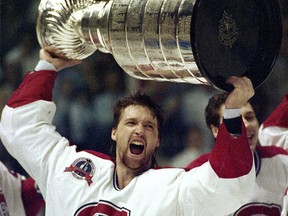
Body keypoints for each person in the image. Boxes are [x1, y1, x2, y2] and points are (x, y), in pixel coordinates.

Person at [0, 48, 256, 215]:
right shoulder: (72, 168)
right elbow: (18, 128)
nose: (140, 131)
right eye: (131, 123)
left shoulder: (173, 187)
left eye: (149, 126)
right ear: (114, 132)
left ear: (157, 141)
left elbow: (230, 186)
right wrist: (47, 67)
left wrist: (232, 112)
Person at [186, 92, 288, 215]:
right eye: (235, 121)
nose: (245, 125)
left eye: (249, 117)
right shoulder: (197, 173)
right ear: (216, 130)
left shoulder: (281, 160)